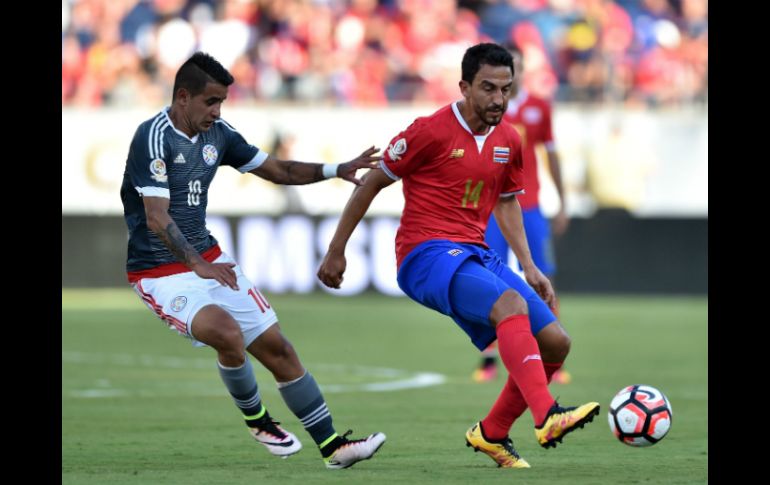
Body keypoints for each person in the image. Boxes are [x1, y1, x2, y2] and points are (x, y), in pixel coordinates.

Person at [317, 43, 599, 469]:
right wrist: (336, 250)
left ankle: (493, 433)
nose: (498, 99)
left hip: (475, 252)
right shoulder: (428, 131)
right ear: (465, 86)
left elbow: (506, 202)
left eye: (506, 89)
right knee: (511, 305)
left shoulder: (509, 139)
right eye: (488, 88)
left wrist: (528, 264)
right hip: (424, 254)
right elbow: (372, 182)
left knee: (557, 341)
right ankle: (547, 416)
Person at [119, 52, 385, 470]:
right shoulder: (152, 137)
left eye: (222, 102)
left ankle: (333, 446)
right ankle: (259, 421)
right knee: (226, 333)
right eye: (211, 102)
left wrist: (337, 168)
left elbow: (277, 169)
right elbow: (156, 216)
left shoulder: (218, 134)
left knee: (278, 348)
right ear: (183, 97)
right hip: (161, 271)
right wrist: (197, 264)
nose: (217, 111)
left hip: (209, 258)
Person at [475, 44, 571, 385]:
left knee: (544, 274)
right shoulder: (486, 108)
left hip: (528, 206)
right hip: (491, 208)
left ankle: (552, 351)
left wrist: (563, 200)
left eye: (516, 67)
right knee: (491, 279)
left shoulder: (538, 108)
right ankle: (488, 358)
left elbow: (551, 154)